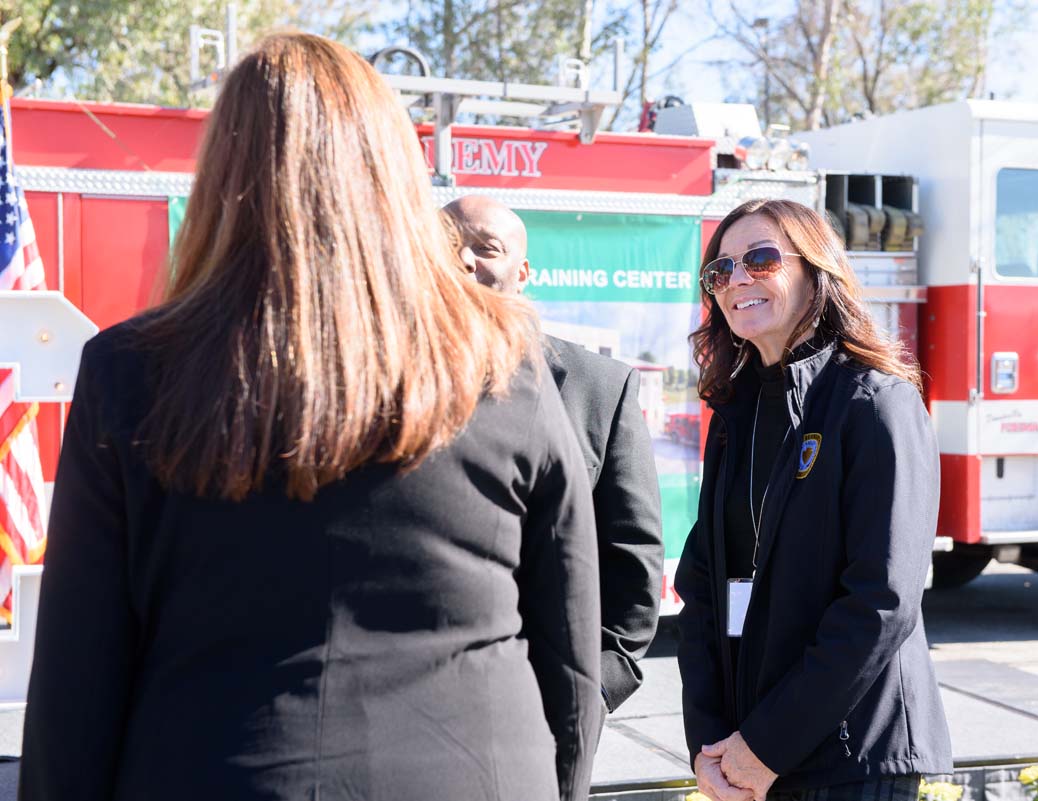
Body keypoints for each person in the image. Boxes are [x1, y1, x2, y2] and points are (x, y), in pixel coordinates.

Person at [20, 34, 603, 801]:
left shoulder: (131, 370)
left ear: (224, 172)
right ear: (393, 172)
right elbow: (570, 646)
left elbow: (76, 678)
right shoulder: (505, 360)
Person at [675, 198, 952, 801]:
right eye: (719, 271)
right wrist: (712, 742)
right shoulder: (734, 413)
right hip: (747, 757)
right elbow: (702, 585)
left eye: (761, 258)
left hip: (852, 760)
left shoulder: (876, 403)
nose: (737, 279)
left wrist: (767, 746)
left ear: (815, 270)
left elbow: (881, 601)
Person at [442, 195, 664, 713]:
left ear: (522, 273)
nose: (466, 260)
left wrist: (592, 692)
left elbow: (633, 554)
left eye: (486, 247)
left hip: (543, 707)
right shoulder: (380, 384)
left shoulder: (599, 388)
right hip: (415, 709)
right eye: (448, 246)